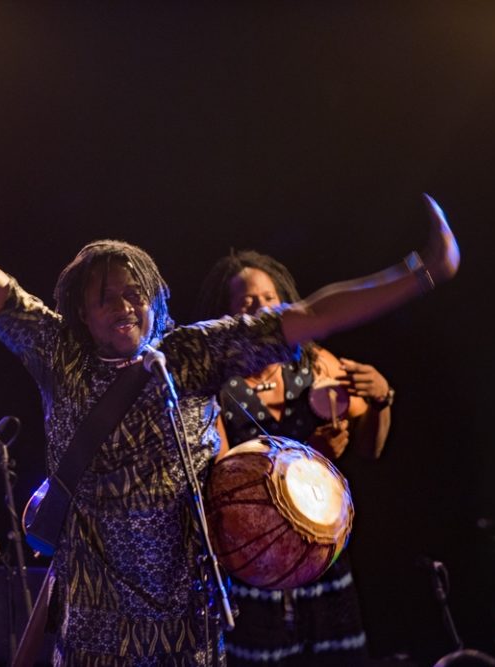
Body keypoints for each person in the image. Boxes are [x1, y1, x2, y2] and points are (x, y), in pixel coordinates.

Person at [0, 97, 459, 665]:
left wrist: (420, 275)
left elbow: (307, 316)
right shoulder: (59, 352)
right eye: (105, 298)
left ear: (157, 300)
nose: (124, 306)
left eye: (135, 294)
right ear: (80, 310)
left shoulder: (192, 353)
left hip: (190, 617)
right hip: (97, 618)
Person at [197, 250, 392, 665]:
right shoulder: (217, 384)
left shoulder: (318, 364)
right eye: (248, 302)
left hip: (322, 556)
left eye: (270, 298)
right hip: (254, 561)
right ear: (227, 314)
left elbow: (369, 450)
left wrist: (381, 400)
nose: (263, 308)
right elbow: (219, 480)